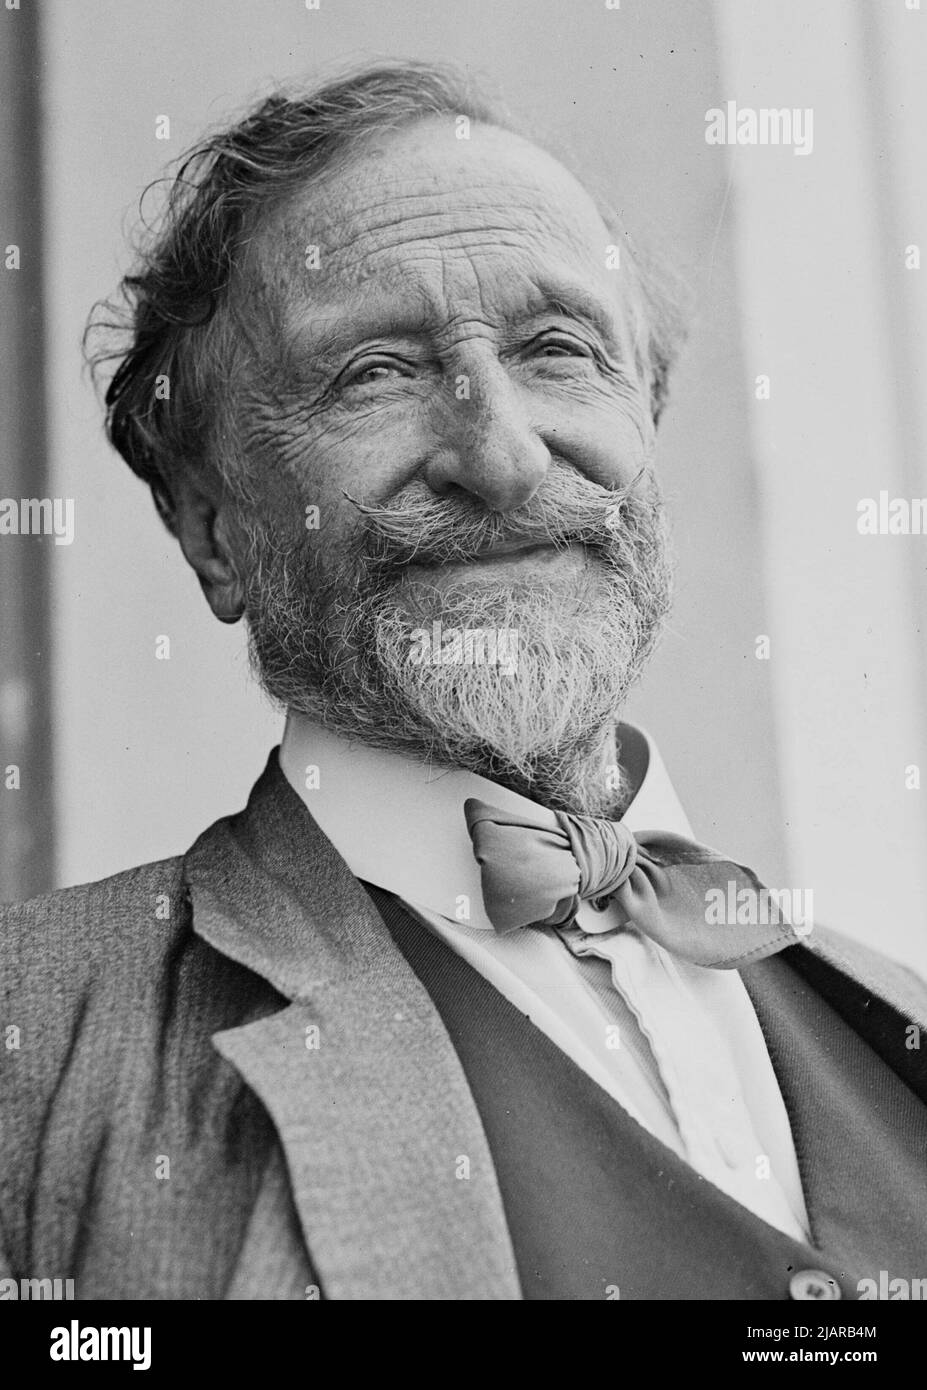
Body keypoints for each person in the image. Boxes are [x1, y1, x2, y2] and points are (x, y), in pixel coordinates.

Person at [2, 62, 924, 1302]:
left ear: (645, 424)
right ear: (214, 530)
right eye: (373, 372)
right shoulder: (39, 1039)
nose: (500, 453)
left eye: (558, 349)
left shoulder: (894, 1015)